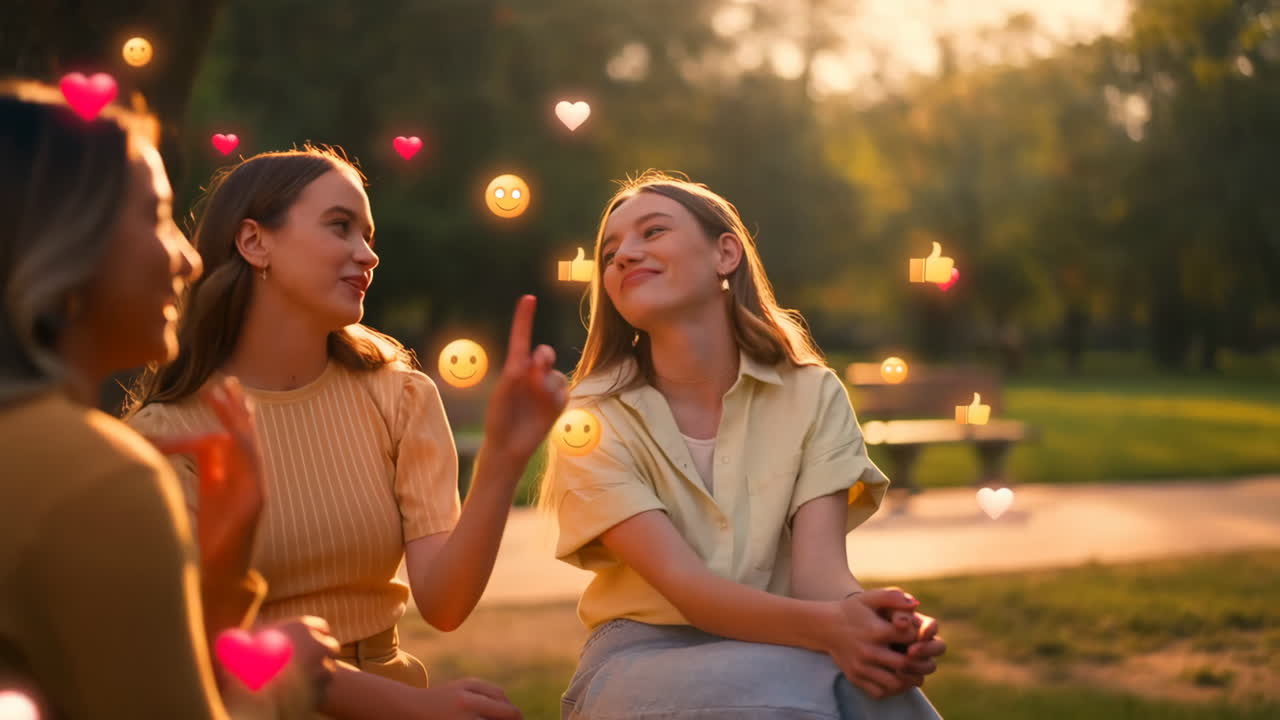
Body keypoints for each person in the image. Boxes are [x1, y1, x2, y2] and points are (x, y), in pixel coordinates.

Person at [126, 145, 567, 719]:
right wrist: (413, 709)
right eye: (340, 227)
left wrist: (505, 459)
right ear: (254, 241)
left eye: (368, 235)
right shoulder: (167, 435)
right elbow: (200, 640)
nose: (367, 255)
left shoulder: (399, 395)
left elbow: (445, 601)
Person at [541, 171, 947, 719]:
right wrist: (835, 630)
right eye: (610, 250)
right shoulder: (591, 416)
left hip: (786, 640)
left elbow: (820, 576)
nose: (623, 256)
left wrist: (878, 625)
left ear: (725, 254)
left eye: (652, 232)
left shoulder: (812, 393)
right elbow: (690, 592)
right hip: (642, 654)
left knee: (886, 693)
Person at [0, 79, 336, 719]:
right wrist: (283, 678)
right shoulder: (97, 480)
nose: (187, 259)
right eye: (155, 216)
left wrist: (216, 584)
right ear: (69, 244)